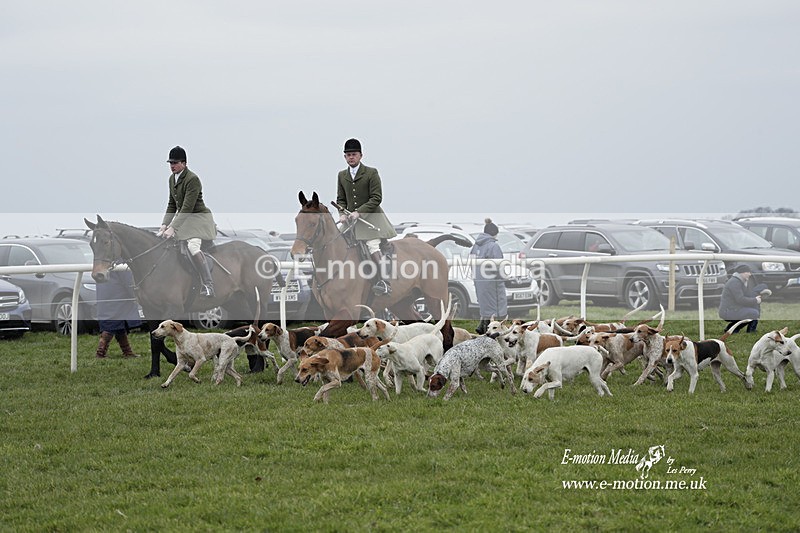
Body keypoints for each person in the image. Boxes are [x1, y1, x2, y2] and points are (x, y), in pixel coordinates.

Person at [336, 138, 397, 296]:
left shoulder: (371, 173)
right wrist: (342, 214)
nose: (351, 157)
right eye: (348, 155)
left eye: (354, 154)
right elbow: (341, 199)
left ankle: (384, 282)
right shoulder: (342, 175)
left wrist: (359, 212)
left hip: (371, 220)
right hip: (351, 221)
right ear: (344, 157)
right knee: (336, 241)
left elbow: (376, 198)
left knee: (372, 246)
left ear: (360, 156)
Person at [159, 146, 217, 297]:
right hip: (185, 220)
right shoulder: (172, 179)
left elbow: (187, 207)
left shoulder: (192, 179)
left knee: (192, 246)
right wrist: (164, 225)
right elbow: (172, 204)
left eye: (175, 163)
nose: (172, 166)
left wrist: (173, 228)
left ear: (184, 163)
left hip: (198, 220)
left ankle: (208, 285)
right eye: (170, 163)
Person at [471, 218, 508, 335]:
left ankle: (482, 326)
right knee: (497, 311)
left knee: (485, 307)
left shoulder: (475, 246)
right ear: (494, 233)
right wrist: (505, 277)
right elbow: (499, 266)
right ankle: (491, 332)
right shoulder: (493, 246)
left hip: (479, 281)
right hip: (492, 283)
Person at [95, 269, 142, 358]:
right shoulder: (120, 265)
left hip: (108, 296)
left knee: (119, 326)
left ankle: (127, 351)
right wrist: (135, 293)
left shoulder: (104, 264)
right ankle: (100, 352)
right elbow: (128, 282)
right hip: (117, 297)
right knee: (111, 326)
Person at [718, 264, 771, 333]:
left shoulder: (740, 281)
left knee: (754, 306)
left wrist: (756, 295)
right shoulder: (735, 282)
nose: (750, 274)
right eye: (748, 272)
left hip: (734, 308)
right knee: (753, 313)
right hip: (728, 311)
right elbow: (740, 299)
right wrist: (755, 300)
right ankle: (743, 330)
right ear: (742, 273)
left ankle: (734, 329)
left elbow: (747, 295)